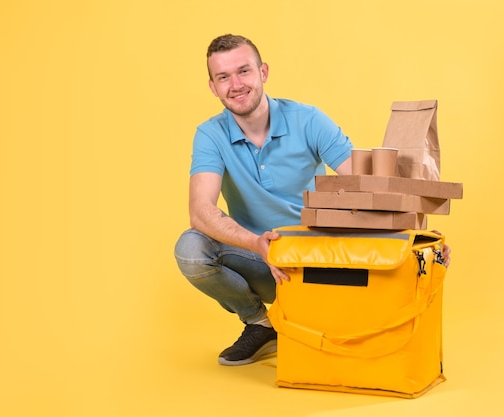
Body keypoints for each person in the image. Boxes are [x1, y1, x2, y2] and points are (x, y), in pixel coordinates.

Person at [174, 34, 451, 366]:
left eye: (243, 71)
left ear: (263, 72)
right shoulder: (210, 134)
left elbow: (370, 189)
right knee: (192, 249)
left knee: (348, 344)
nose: (235, 84)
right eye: (223, 77)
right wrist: (256, 243)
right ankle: (262, 324)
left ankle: (311, 317)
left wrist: (420, 241)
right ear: (213, 87)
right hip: (262, 258)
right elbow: (200, 211)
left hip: (316, 260)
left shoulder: (308, 120)